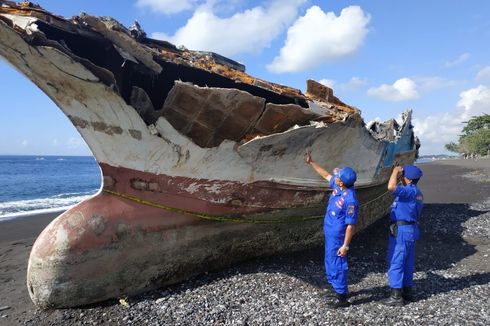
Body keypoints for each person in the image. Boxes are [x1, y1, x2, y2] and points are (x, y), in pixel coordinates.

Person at [305, 152, 358, 308]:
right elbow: (326, 175)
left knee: (337, 263)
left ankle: (342, 297)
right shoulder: (339, 185)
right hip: (330, 232)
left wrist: (345, 246)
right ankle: (335, 287)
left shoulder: (350, 200)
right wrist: (311, 162)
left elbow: (351, 225)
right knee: (329, 261)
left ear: (342, 182)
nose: (336, 177)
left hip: (338, 236)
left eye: (339, 177)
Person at [383, 164, 424, 306]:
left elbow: (391, 187)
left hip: (402, 231)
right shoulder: (417, 193)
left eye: (403, 176)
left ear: (409, 179)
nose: (401, 178)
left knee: (396, 260)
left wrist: (394, 172)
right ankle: (407, 291)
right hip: (410, 230)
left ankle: (396, 296)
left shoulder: (409, 192)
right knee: (407, 261)